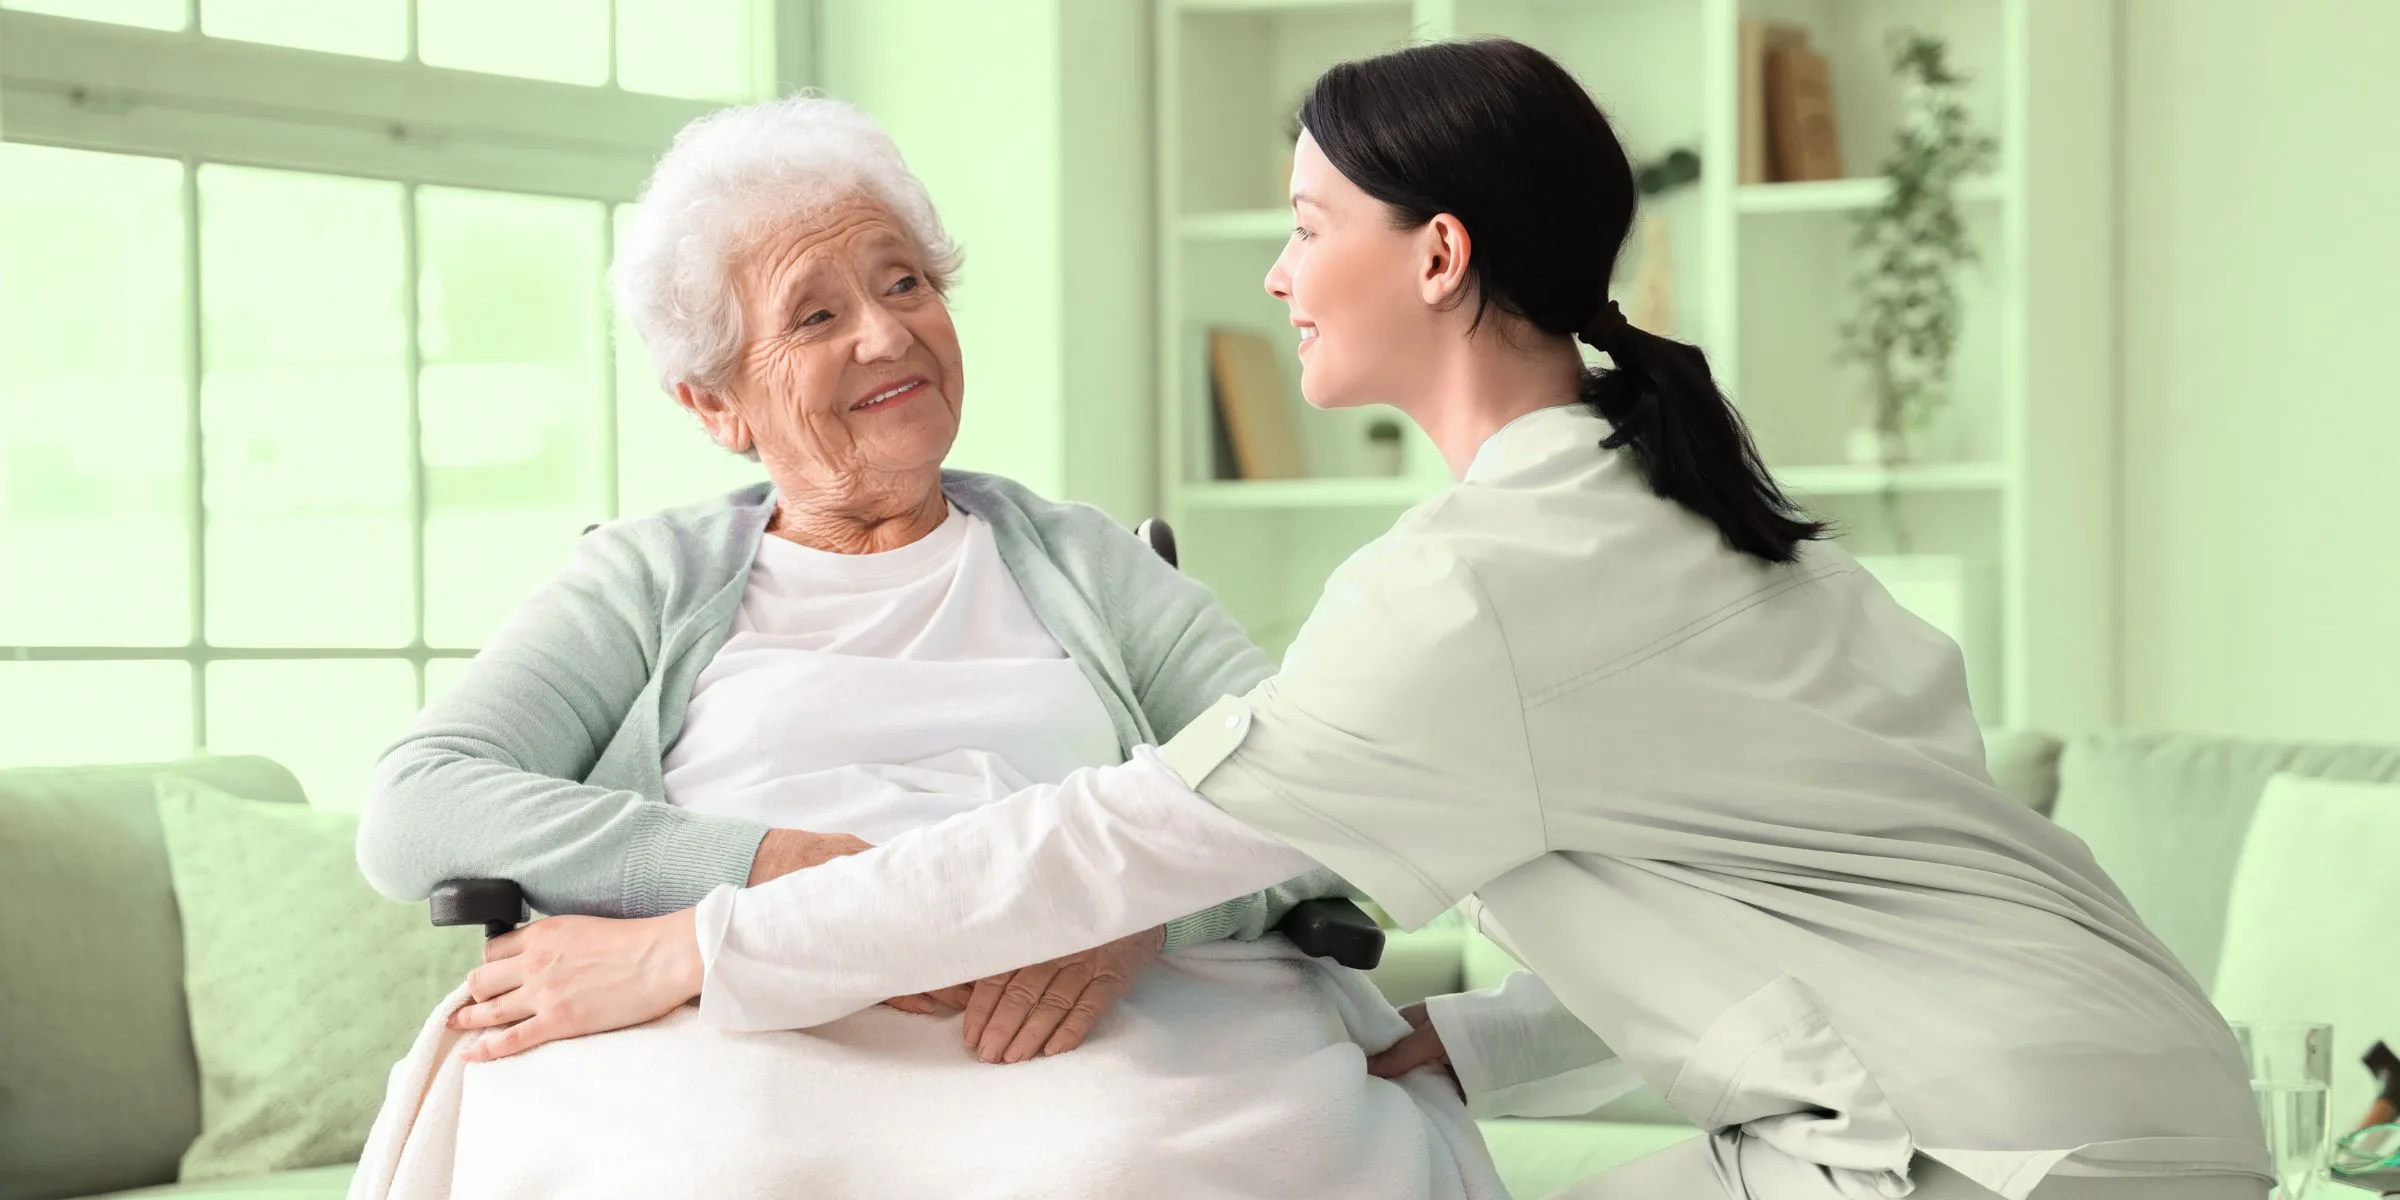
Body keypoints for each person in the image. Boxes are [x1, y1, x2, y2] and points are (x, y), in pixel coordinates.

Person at [456, 41, 2274, 1200]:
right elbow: (1817, 917)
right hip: (2122, 1101)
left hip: (2003, 1156)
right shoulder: (1704, 511)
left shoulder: (1475, 586)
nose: (1271, 268)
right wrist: (1461, 1044)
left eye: (1308, 217)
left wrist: (694, 949)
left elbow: (1125, 832)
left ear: (1439, 253)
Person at [350, 95, 1503, 1199]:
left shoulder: (1093, 565)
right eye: (816, 314)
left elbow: (1321, 797)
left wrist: (1139, 913)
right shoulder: (645, 581)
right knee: (708, 1170)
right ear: (716, 404)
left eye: (905, 283)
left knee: (1124, 1161)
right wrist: (770, 869)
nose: (888, 331)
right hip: (734, 1013)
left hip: (1071, 1015)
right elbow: (419, 806)